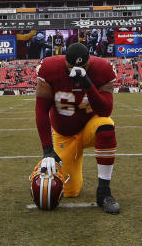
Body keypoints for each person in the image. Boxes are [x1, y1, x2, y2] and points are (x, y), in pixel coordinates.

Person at [35, 42, 121, 214]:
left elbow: (105, 110)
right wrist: (47, 150)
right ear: (65, 62)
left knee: (106, 126)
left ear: (89, 61)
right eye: (71, 67)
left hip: (90, 127)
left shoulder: (102, 69)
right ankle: (44, 167)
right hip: (64, 134)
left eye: (83, 67)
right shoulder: (50, 68)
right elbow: (41, 110)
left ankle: (104, 191)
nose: (76, 71)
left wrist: (87, 83)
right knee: (70, 192)